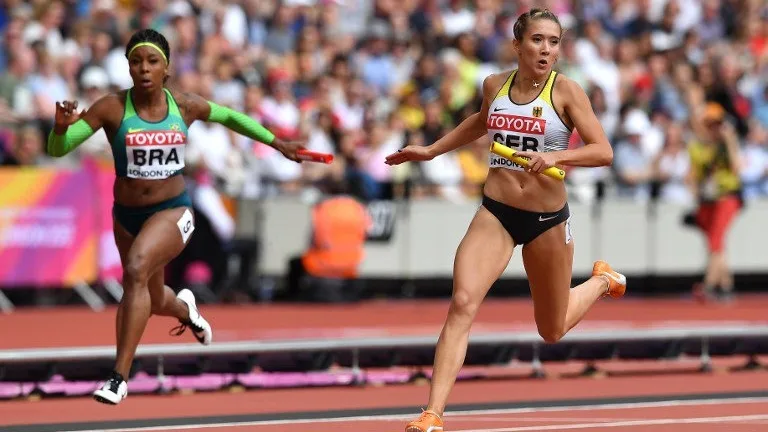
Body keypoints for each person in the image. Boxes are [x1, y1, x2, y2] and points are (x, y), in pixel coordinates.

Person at [384, 9, 627, 432]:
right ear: (517, 45)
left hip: (547, 219)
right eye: (537, 40)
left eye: (553, 41)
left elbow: (603, 151)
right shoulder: (495, 84)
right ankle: (432, 415)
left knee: (551, 330)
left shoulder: (567, 92)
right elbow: (481, 122)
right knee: (461, 303)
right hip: (496, 212)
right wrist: (431, 150)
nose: (546, 49)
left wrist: (557, 155)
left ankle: (602, 280)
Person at [45, 29, 305, 405]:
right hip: (127, 217)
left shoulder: (185, 105)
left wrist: (277, 143)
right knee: (150, 296)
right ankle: (185, 309)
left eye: (152, 61)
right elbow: (59, 149)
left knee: (135, 270)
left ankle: (118, 377)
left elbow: (231, 117)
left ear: (166, 68)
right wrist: (59, 127)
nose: (144, 69)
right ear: (128, 68)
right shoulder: (111, 108)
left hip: (173, 211)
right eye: (136, 62)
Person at [686, 102, 743, 302]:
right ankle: (726, 286)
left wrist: (730, 141)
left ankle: (708, 285)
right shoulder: (698, 147)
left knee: (716, 241)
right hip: (707, 200)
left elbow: (737, 168)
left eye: (717, 124)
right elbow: (693, 175)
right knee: (717, 244)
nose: (714, 128)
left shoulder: (726, 145)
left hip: (727, 197)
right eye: (710, 124)